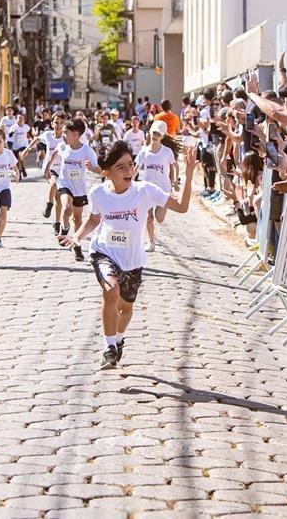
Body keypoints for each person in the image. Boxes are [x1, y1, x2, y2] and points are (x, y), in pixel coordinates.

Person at [58, 140, 197, 369]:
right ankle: (109, 348)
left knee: (126, 308)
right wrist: (77, 237)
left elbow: (181, 207)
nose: (129, 170)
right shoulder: (98, 193)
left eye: (130, 164)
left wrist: (189, 174)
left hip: (132, 260)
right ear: (107, 172)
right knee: (111, 291)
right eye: (121, 167)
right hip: (104, 252)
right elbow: (94, 220)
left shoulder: (145, 191)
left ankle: (119, 338)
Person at [45, 118, 101, 261]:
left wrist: (92, 168)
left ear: (76, 135)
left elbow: (100, 170)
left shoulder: (87, 150)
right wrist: (48, 168)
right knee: (66, 208)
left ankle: (76, 245)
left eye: (66, 133)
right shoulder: (63, 146)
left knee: (77, 218)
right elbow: (54, 154)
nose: (63, 135)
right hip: (65, 184)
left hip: (79, 189)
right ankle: (64, 228)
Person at [136, 120, 178, 252]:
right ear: (149, 133)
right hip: (148, 189)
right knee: (148, 217)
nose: (155, 136)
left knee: (159, 218)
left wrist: (175, 182)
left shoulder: (167, 152)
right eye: (154, 133)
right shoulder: (144, 151)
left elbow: (175, 166)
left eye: (158, 134)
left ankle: (163, 208)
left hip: (163, 189)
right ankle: (151, 242)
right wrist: (128, 183)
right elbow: (136, 169)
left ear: (162, 136)